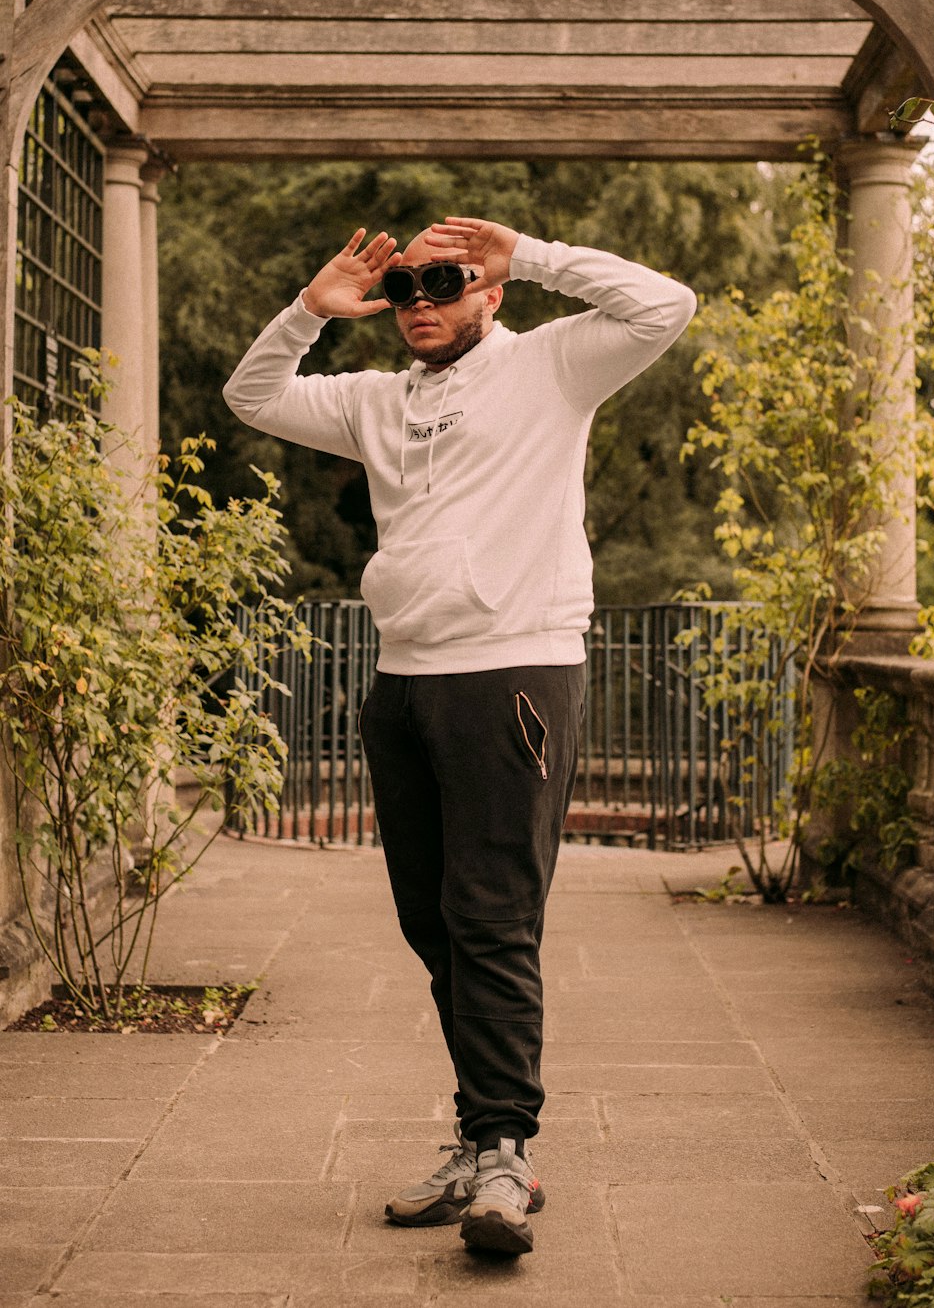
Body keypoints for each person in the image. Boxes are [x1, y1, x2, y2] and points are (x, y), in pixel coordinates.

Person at [223, 216, 696, 1256]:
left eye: (447, 280)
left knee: (489, 915)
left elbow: (665, 304)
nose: (424, 299)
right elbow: (251, 397)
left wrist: (527, 253)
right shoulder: (378, 402)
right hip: (403, 684)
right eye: (405, 287)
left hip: (513, 673)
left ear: (488, 293)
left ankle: (503, 1152)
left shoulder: (553, 368)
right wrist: (311, 309)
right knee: (434, 922)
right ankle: (480, 1132)